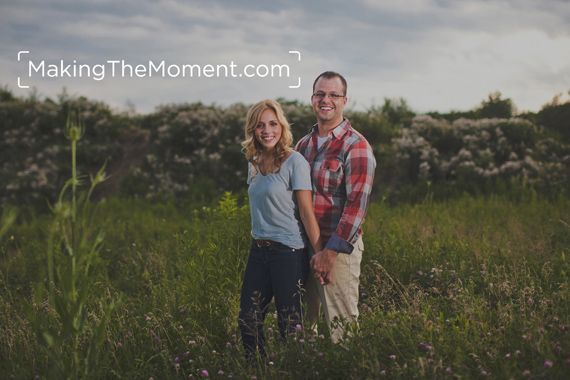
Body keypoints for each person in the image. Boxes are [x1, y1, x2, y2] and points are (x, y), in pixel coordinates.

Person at [296, 71, 376, 343]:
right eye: (320, 94)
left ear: (344, 101)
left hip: (338, 253)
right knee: (301, 331)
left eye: (333, 95)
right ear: (312, 99)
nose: (325, 99)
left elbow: (356, 208)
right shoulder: (302, 146)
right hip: (304, 250)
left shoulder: (357, 146)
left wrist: (328, 254)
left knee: (342, 333)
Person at [238, 99, 323, 357]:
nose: (267, 131)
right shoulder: (252, 161)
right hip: (258, 252)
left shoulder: (295, 162)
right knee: (248, 321)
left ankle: (295, 370)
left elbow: (307, 213)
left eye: (273, 124)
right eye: (260, 125)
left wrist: (319, 254)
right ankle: (259, 370)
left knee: (289, 325)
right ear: (253, 129)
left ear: (281, 126)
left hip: (288, 252)